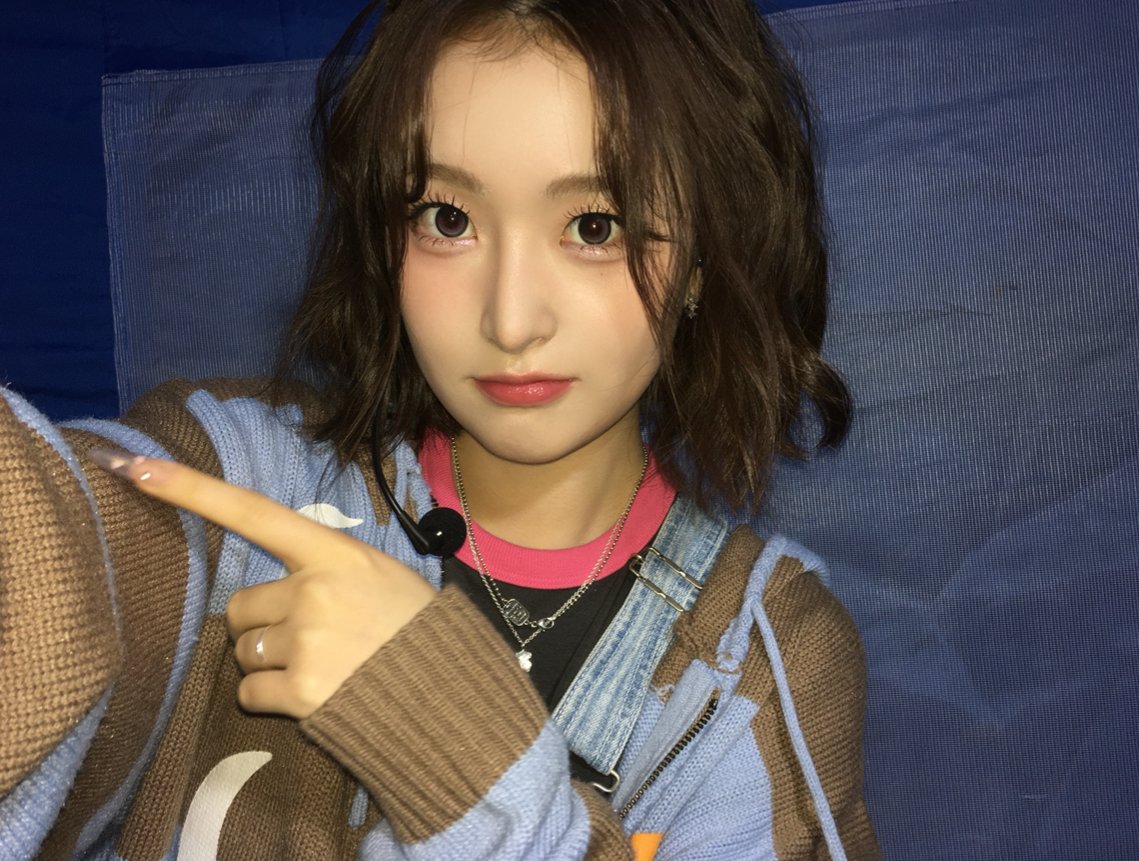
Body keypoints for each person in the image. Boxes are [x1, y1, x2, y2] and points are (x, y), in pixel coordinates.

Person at [0, 0, 881, 858]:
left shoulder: (760, 669)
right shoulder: (237, 478)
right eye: (447, 220)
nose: (510, 319)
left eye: (594, 226)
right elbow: (54, 550)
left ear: (701, 258)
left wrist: (454, 747)